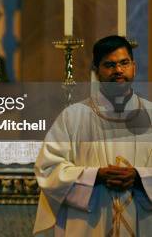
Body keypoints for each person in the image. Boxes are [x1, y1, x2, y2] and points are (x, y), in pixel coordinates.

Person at [34, 35, 152, 235]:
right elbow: (48, 169)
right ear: (97, 72)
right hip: (89, 223)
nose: (118, 70)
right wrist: (95, 176)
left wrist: (140, 178)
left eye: (124, 63)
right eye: (109, 65)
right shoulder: (73, 117)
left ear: (134, 67)